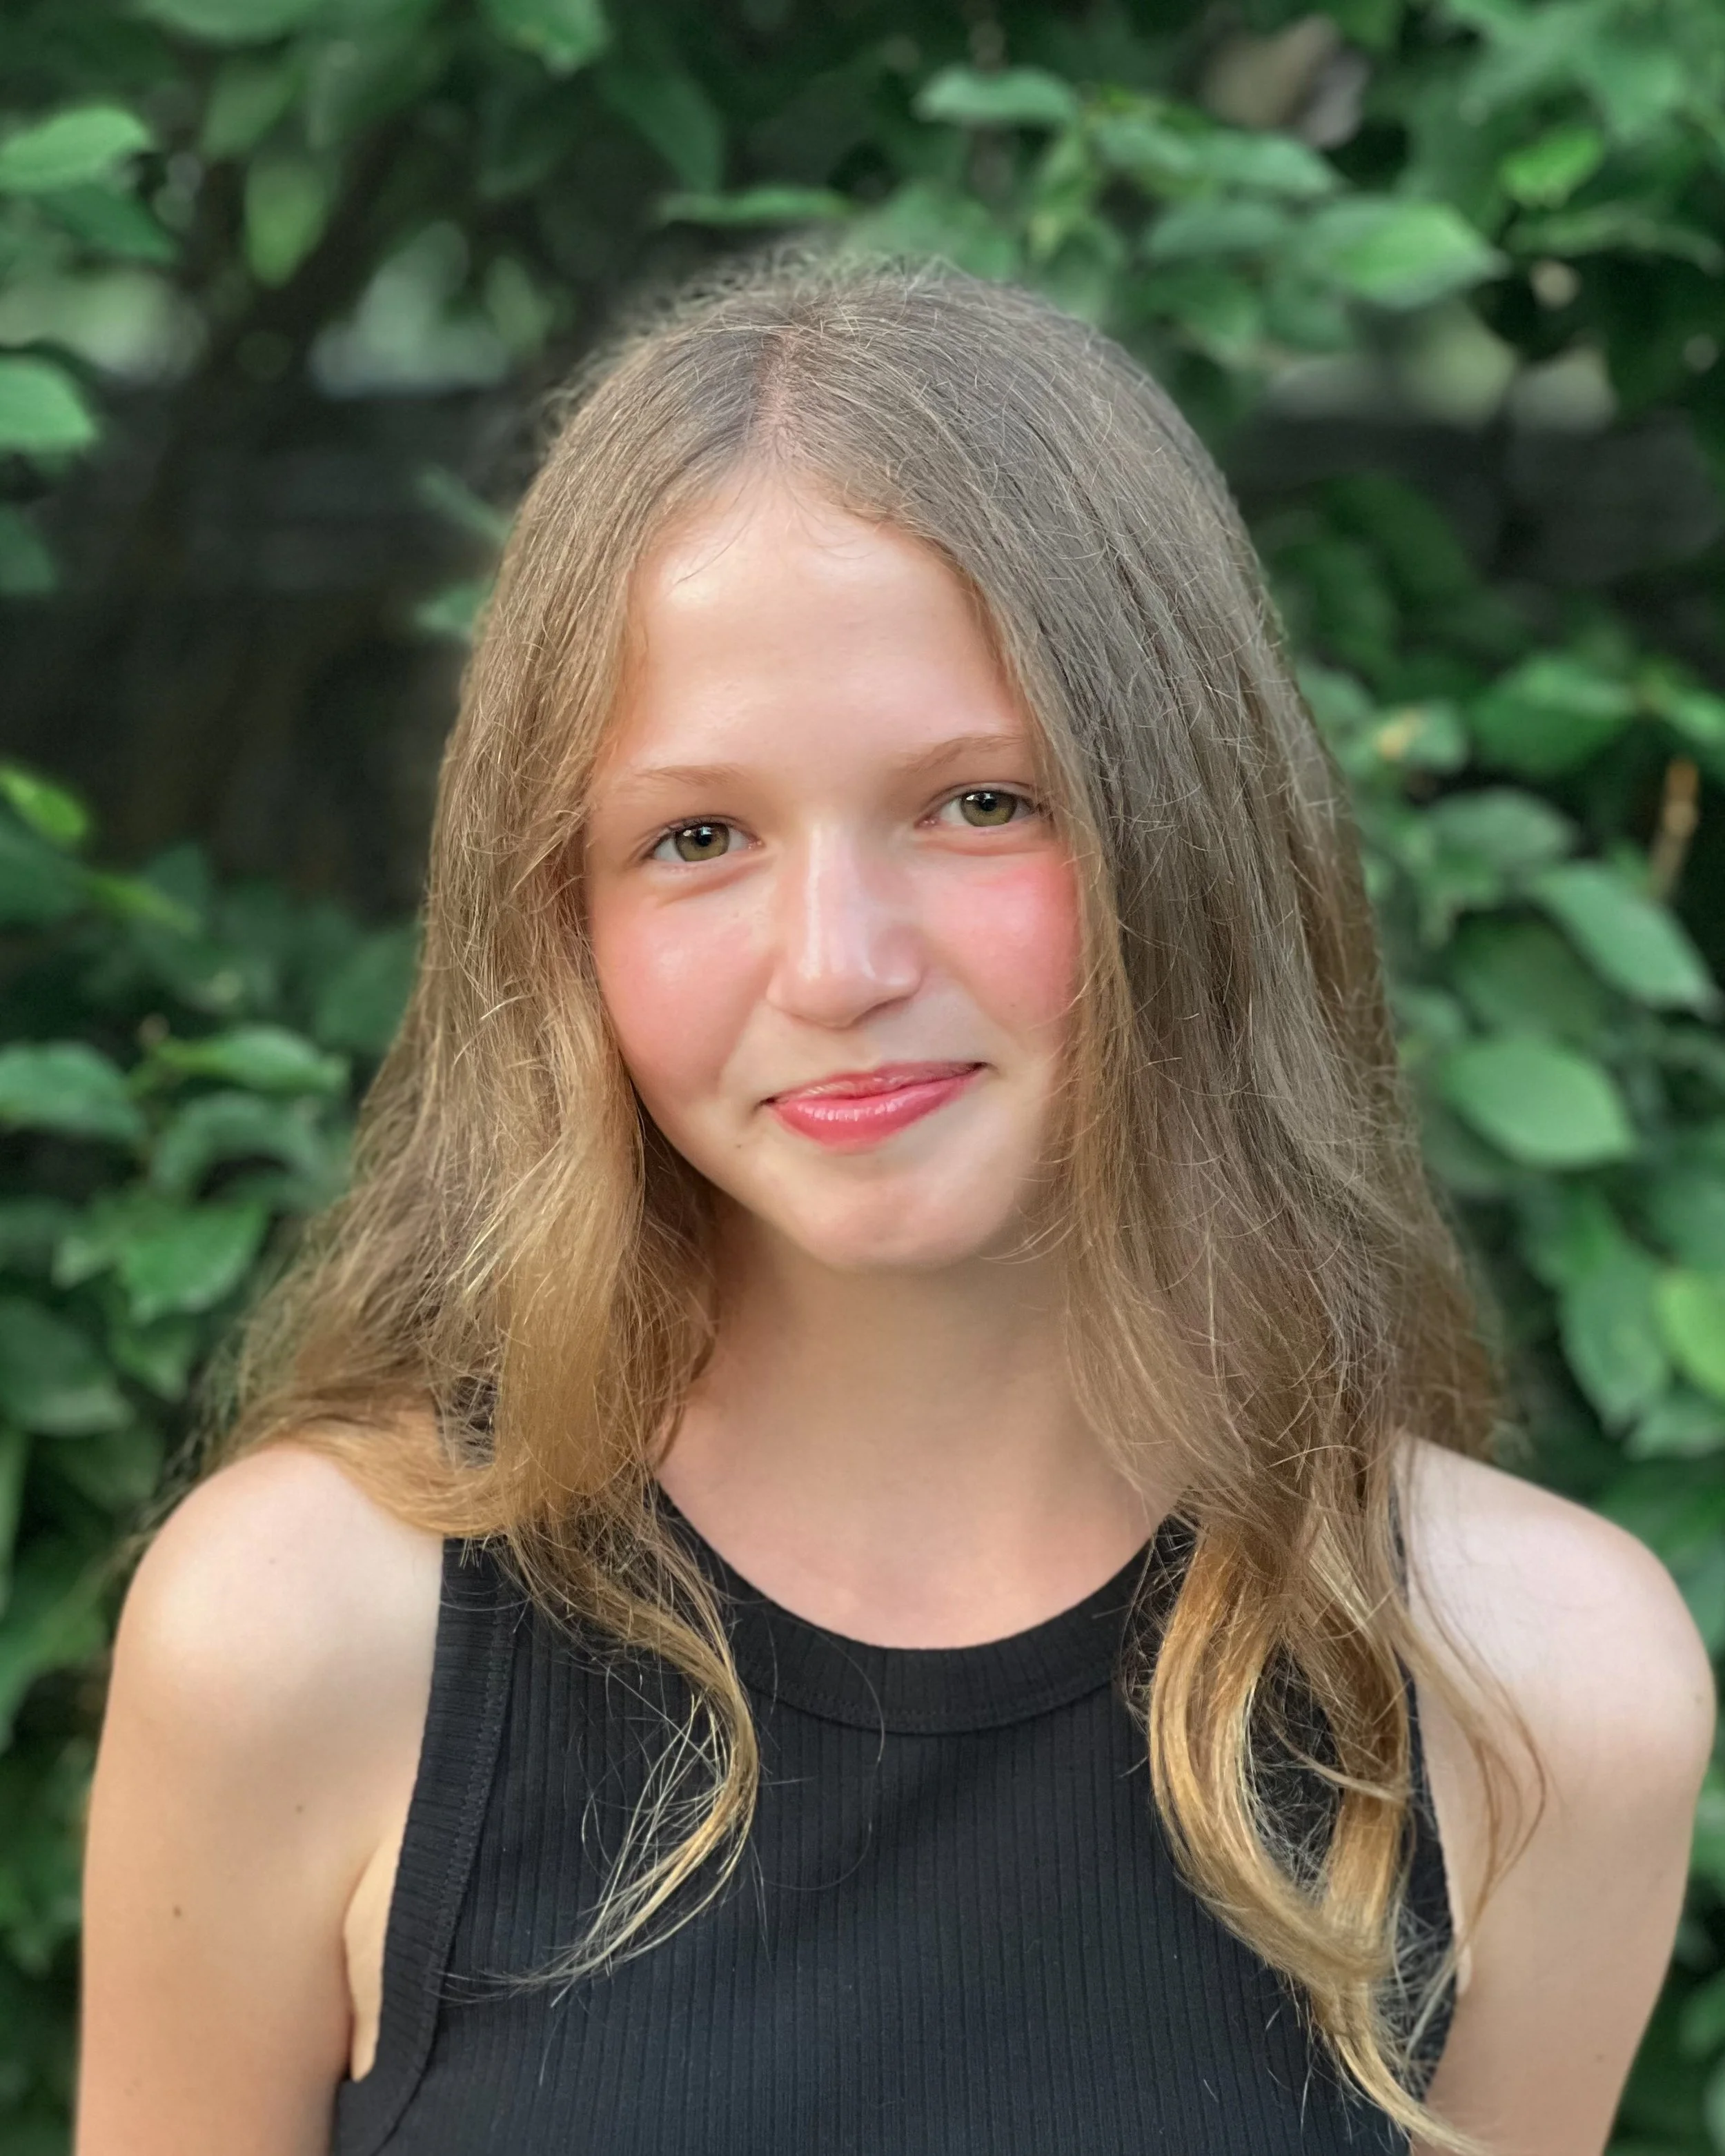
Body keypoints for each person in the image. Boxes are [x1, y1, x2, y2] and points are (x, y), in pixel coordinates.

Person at [77, 254, 1712, 2156]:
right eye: (695, 836)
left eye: (978, 803)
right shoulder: (301, 1639)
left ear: (1189, 826)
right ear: (557, 918)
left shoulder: (1533, 1689)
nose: (838, 965)